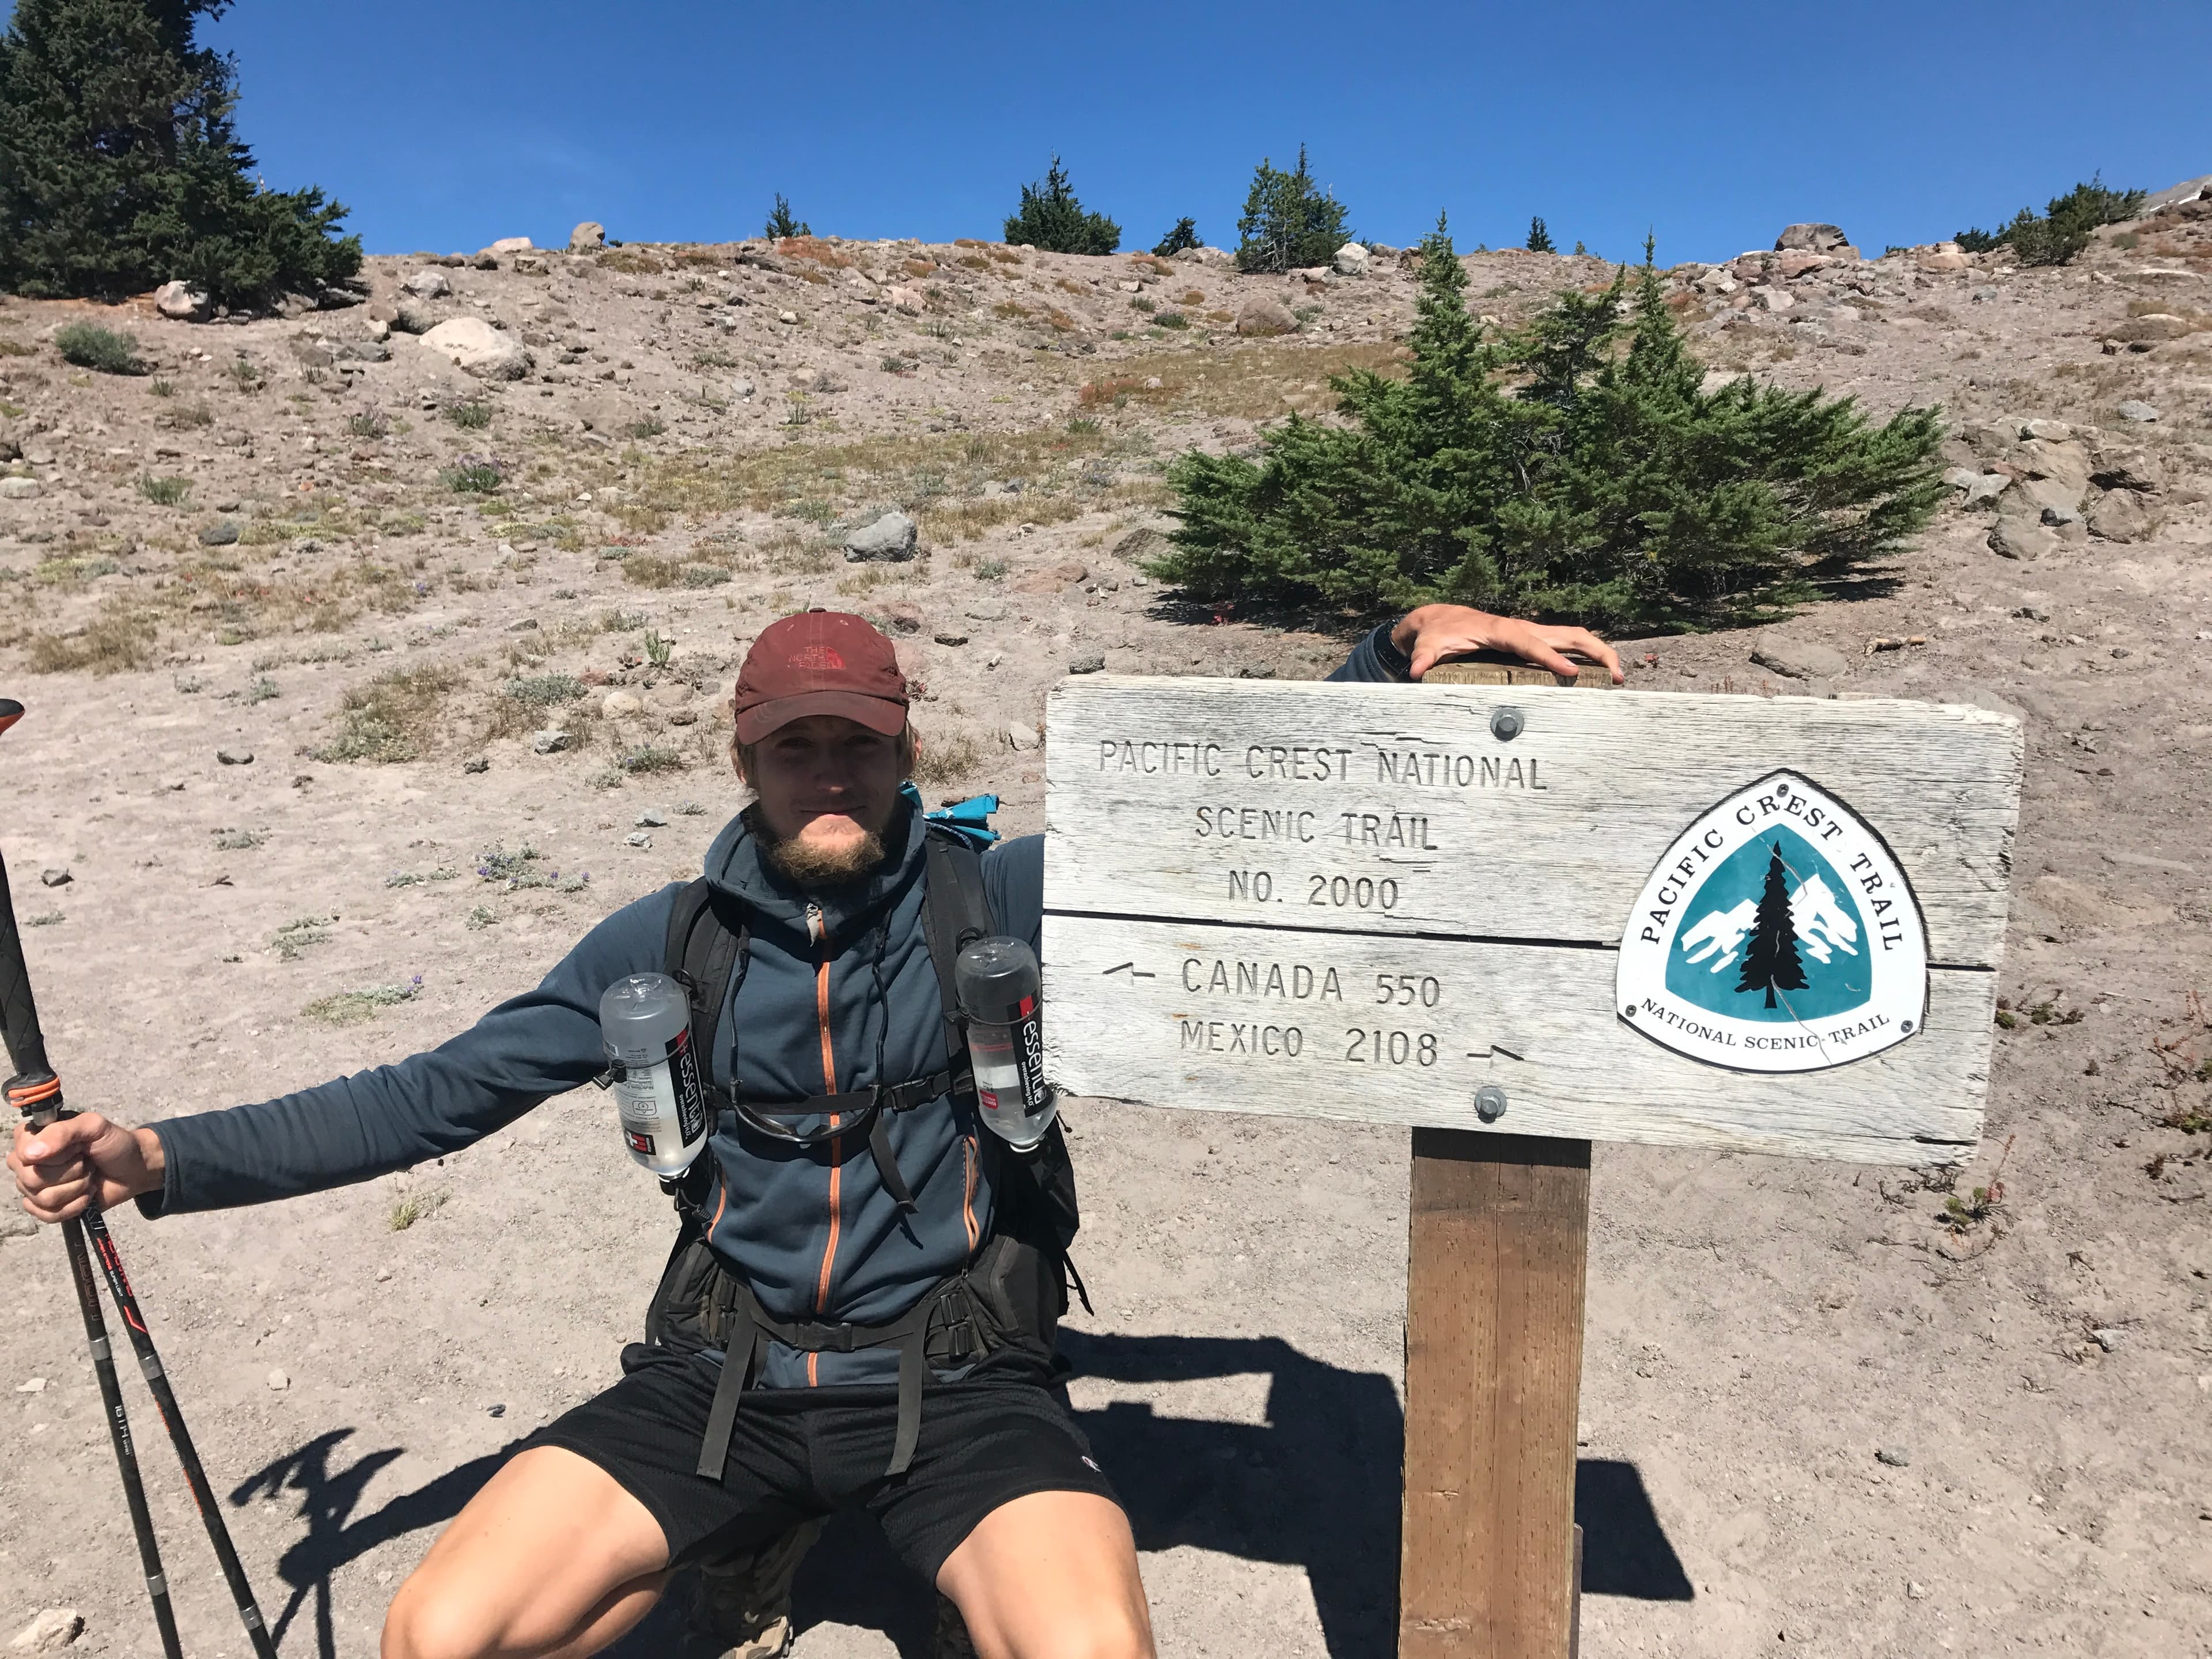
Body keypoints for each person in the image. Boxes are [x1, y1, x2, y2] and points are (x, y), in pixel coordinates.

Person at [12, 603, 1617, 1659]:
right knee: (441, 1637)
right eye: (798, 745)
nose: (830, 770)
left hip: (963, 1375)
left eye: (859, 741)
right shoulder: (665, 943)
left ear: (908, 751)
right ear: (748, 761)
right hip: (729, 1373)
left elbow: (1222, 843)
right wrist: (163, 1159)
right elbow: (431, 1095)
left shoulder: (1005, 899)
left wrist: (1395, 649)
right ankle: (747, 1542)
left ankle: (776, 1537)